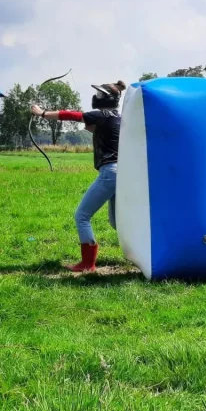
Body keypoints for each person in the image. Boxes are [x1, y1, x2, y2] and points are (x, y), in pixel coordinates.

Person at [31, 81, 126, 272]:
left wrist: (41, 113)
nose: (95, 98)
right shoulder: (119, 117)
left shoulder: (102, 114)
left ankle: (87, 264)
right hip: (123, 174)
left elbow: (71, 115)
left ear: (104, 99)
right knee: (117, 222)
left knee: (82, 216)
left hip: (110, 173)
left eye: (99, 95)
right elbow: (97, 129)